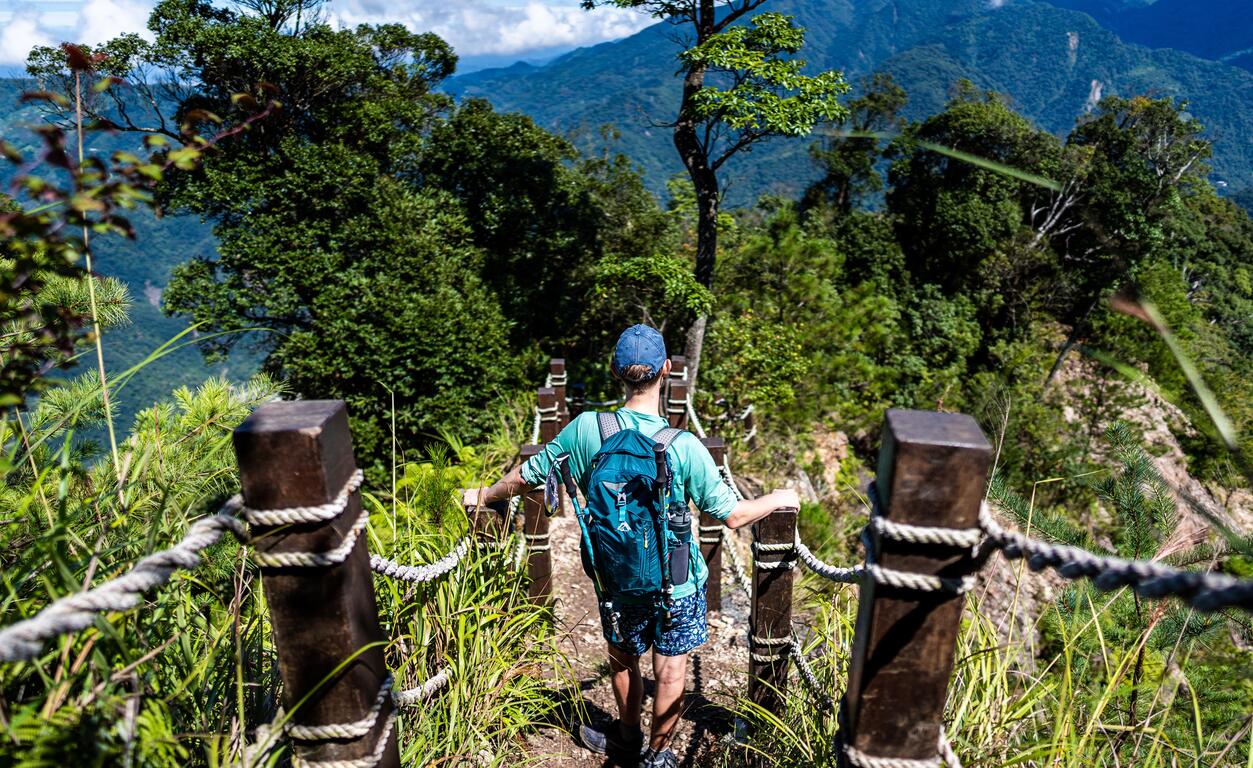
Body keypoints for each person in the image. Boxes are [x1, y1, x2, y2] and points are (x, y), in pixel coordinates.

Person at [463, 324, 799, 768]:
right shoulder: (684, 445)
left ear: (614, 371)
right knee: (671, 669)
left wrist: (484, 495)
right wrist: (779, 498)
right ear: (666, 370)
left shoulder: (586, 429)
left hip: (615, 576)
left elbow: (531, 474)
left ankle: (626, 740)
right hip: (675, 582)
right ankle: (658, 758)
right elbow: (731, 515)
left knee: (623, 661)